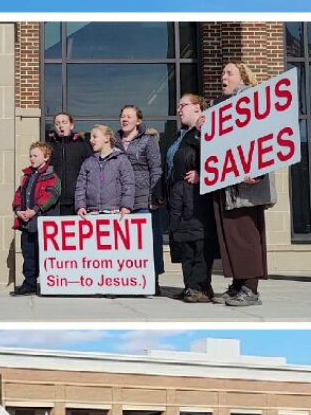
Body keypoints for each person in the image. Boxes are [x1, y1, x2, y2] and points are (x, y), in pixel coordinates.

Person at [204, 61, 275, 307]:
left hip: (246, 186)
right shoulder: (220, 108)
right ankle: (237, 285)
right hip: (226, 185)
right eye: (222, 72)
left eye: (229, 73)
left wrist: (256, 169)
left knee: (245, 235)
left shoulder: (253, 103)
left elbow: (265, 137)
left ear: (243, 78)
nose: (223, 76)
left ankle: (250, 288)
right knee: (231, 236)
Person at [165, 93, 218, 303]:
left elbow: (216, 157)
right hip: (181, 197)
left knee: (198, 242)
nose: (179, 110)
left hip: (197, 198)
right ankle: (191, 285)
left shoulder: (205, 131)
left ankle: (200, 287)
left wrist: (202, 175)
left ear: (198, 108)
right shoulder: (184, 135)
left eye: (183, 105)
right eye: (178, 106)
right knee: (186, 242)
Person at [114, 104, 165, 293]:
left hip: (144, 199)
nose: (125, 119)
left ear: (138, 121)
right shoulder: (114, 142)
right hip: (121, 201)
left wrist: (155, 195)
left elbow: (156, 169)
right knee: (126, 242)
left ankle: (153, 278)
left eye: (129, 116)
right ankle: (130, 279)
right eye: (122, 116)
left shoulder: (148, 141)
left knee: (150, 241)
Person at [10, 141, 61, 296]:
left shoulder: (52, 176)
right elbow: (19, 194)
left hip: (43, 223)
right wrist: (18, 210)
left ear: (46, 157)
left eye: (35, 156)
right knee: (28, 254)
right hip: (27, 223)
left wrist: (35, 210)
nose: (32, 158)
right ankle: (30, 283)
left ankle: (48, 283)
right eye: (30, 155)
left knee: (44, 254)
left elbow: (51, 196)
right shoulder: (27, 176)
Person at [75, 124, 134, 217]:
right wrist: (80, 206)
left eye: (94, 136)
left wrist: (126, 206)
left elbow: (128, 184)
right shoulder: (88, 162)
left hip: (115, 212)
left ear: (106, 138)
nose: (91, 140)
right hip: (91, 213)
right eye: (90, 137)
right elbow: (80, 187)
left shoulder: (121, 160)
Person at [47, 111, 90, 217]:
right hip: (54, 201)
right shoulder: (48, 147)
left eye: (64, 122)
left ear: (71, 125)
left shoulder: (82, 145)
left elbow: (91, 171)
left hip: (77, 201)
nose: (60, 125)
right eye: (57, 123)